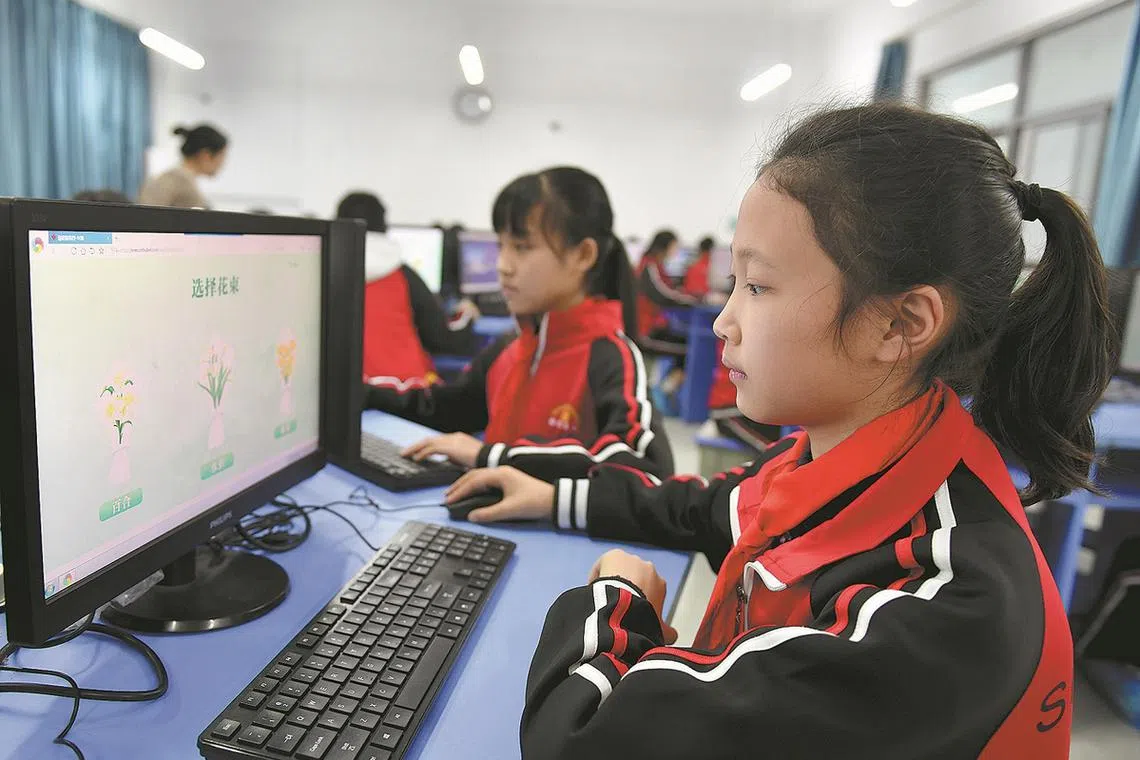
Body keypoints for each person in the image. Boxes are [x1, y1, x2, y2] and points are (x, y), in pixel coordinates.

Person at [443, 103, 1113, 757]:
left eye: (757, 287)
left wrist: (612, 600)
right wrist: (552, 496)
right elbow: (708, 507)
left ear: (902, 324)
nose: (721, 322)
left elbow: (580, 739)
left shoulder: (944, 606)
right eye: (733, 282)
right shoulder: (850, 457)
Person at [364, 166, 674, 482]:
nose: (502, 266)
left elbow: (645, 465)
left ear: (583, 255)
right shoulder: (510, 348)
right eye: (501, 245)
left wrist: (491, 457)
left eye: (522, 247)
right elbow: (443, 408)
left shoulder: (611, 356)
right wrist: (362, 394)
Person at [335, 192, 477, 384]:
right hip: (409, 391)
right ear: (384, 226)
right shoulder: (401, 274)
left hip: (350, 392)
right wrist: (466, 316)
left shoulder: (329, 272)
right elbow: (442, 338)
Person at [138, 124, 228, 209]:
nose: (223, 163)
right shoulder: (179, 181)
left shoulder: (175, 178)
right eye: (222, 156)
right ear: (205, 155)